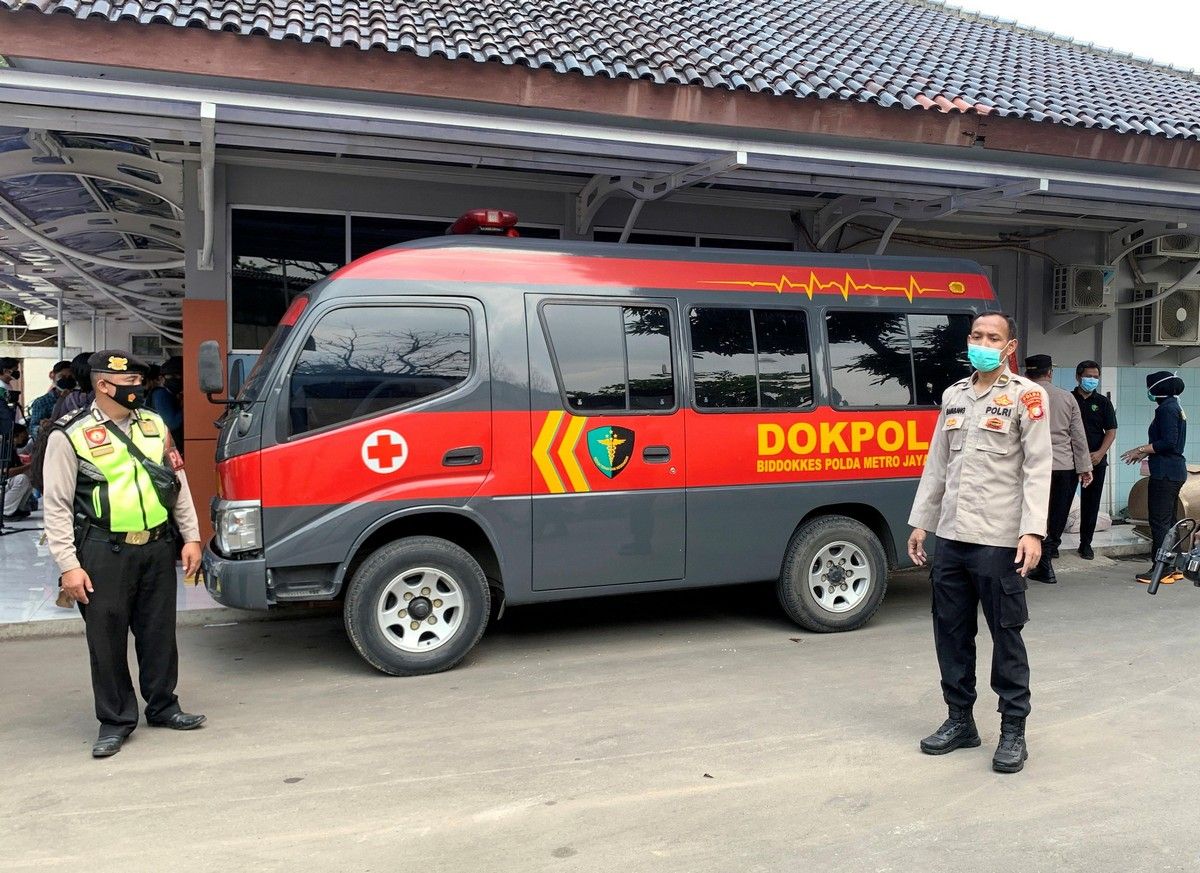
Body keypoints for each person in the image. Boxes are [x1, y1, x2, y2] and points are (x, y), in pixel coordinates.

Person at [907, 311, 1051, 774]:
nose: (982, 343)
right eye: (976, 335)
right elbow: (937, 464)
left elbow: (1037, 466)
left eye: (993, 337)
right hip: (952, 536)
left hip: (999, 539)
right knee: (950, 632)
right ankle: (960, 721)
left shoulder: (1027, 396)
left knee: (1006, 634)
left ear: (1010, 347)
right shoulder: (954, 395)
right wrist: (922, 522)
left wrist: (1032, 530)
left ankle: (1013, 730)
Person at [43, 350, 206, 758]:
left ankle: (163, 706)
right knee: (107, 639)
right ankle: (115, 720)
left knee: (159, 632)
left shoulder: (155, 425)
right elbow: (57, 506)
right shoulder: (70, 434)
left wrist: (191, 537)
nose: (139, 388)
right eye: (130, 382)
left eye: (138, 381)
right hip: (103, 550)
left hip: (157, 545)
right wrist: (69, 566)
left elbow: (177, 481)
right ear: (103, 384)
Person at [1023, 354, 1092, 584]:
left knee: (1031, 514)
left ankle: (1033, 564)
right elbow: (1078, 436)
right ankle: (1046, 562)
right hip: (1063, 467)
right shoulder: (1066, 397)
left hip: (1031, 466)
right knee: (1056, 516)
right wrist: (1085, 467)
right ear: (1050, 373)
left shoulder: (1020, 395)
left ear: (1026, 373)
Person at [1122, 371, 1188, 586]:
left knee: (1159, 522)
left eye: (1149, 387)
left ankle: (1162, 568)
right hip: (1173, 470)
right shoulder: (1174, 406)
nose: (1148, 392)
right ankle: (1175, 565)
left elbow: (1168, 442)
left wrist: (1140, 449)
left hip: (1165, 472)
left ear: (1157, 389)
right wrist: (1144, 453)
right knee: (1169, 522)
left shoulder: (1167, 409)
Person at [1071, 361, 1118, 559]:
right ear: (1078, 377)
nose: (1092, 380)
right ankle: (1052, 544)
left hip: (1095, 460)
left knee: (1091, 504)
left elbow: (1111, 431)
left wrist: (1100, 453)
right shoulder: (1069, 399)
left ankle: (1085, 544)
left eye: (1096, 377)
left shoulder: (1103, 402)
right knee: (1060, 502)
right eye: (1088, 376)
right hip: (1069, 460)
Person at [27, 360, 75, 438]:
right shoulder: (41, 402)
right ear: (53, 376)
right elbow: (33, 428)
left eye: (70, 377)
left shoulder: (79, 399)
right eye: (62, 377)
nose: (66, 380)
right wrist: (42, 428)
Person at [148, 356, 184, 452]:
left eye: (179, 375)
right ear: (161, 378)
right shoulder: (161, 394)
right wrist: (186, 406)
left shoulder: (172, 395)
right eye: (171, 376)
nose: (176, 379)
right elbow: (172, 423)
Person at [3, 421, 34, 519]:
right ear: (15, 436)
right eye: (23, 436)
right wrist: (29, 466)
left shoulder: (12, 449)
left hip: (6, 484)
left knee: (29, 478)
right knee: (22, 479)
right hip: (2, 484)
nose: (25, 439)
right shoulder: (4, 448)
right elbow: (5, 471)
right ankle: (5, 511)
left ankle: (17, 509)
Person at [51, 352, 94, 421]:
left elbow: (58, 422)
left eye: (70, 376)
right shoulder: (106, 396)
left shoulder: (71, 399)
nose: (67, 379)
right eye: (62, 376)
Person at [0, 356, 25, 425]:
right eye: (15, 370)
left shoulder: (7, 385)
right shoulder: (1, 389)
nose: (17, 372)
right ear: (5, 371)